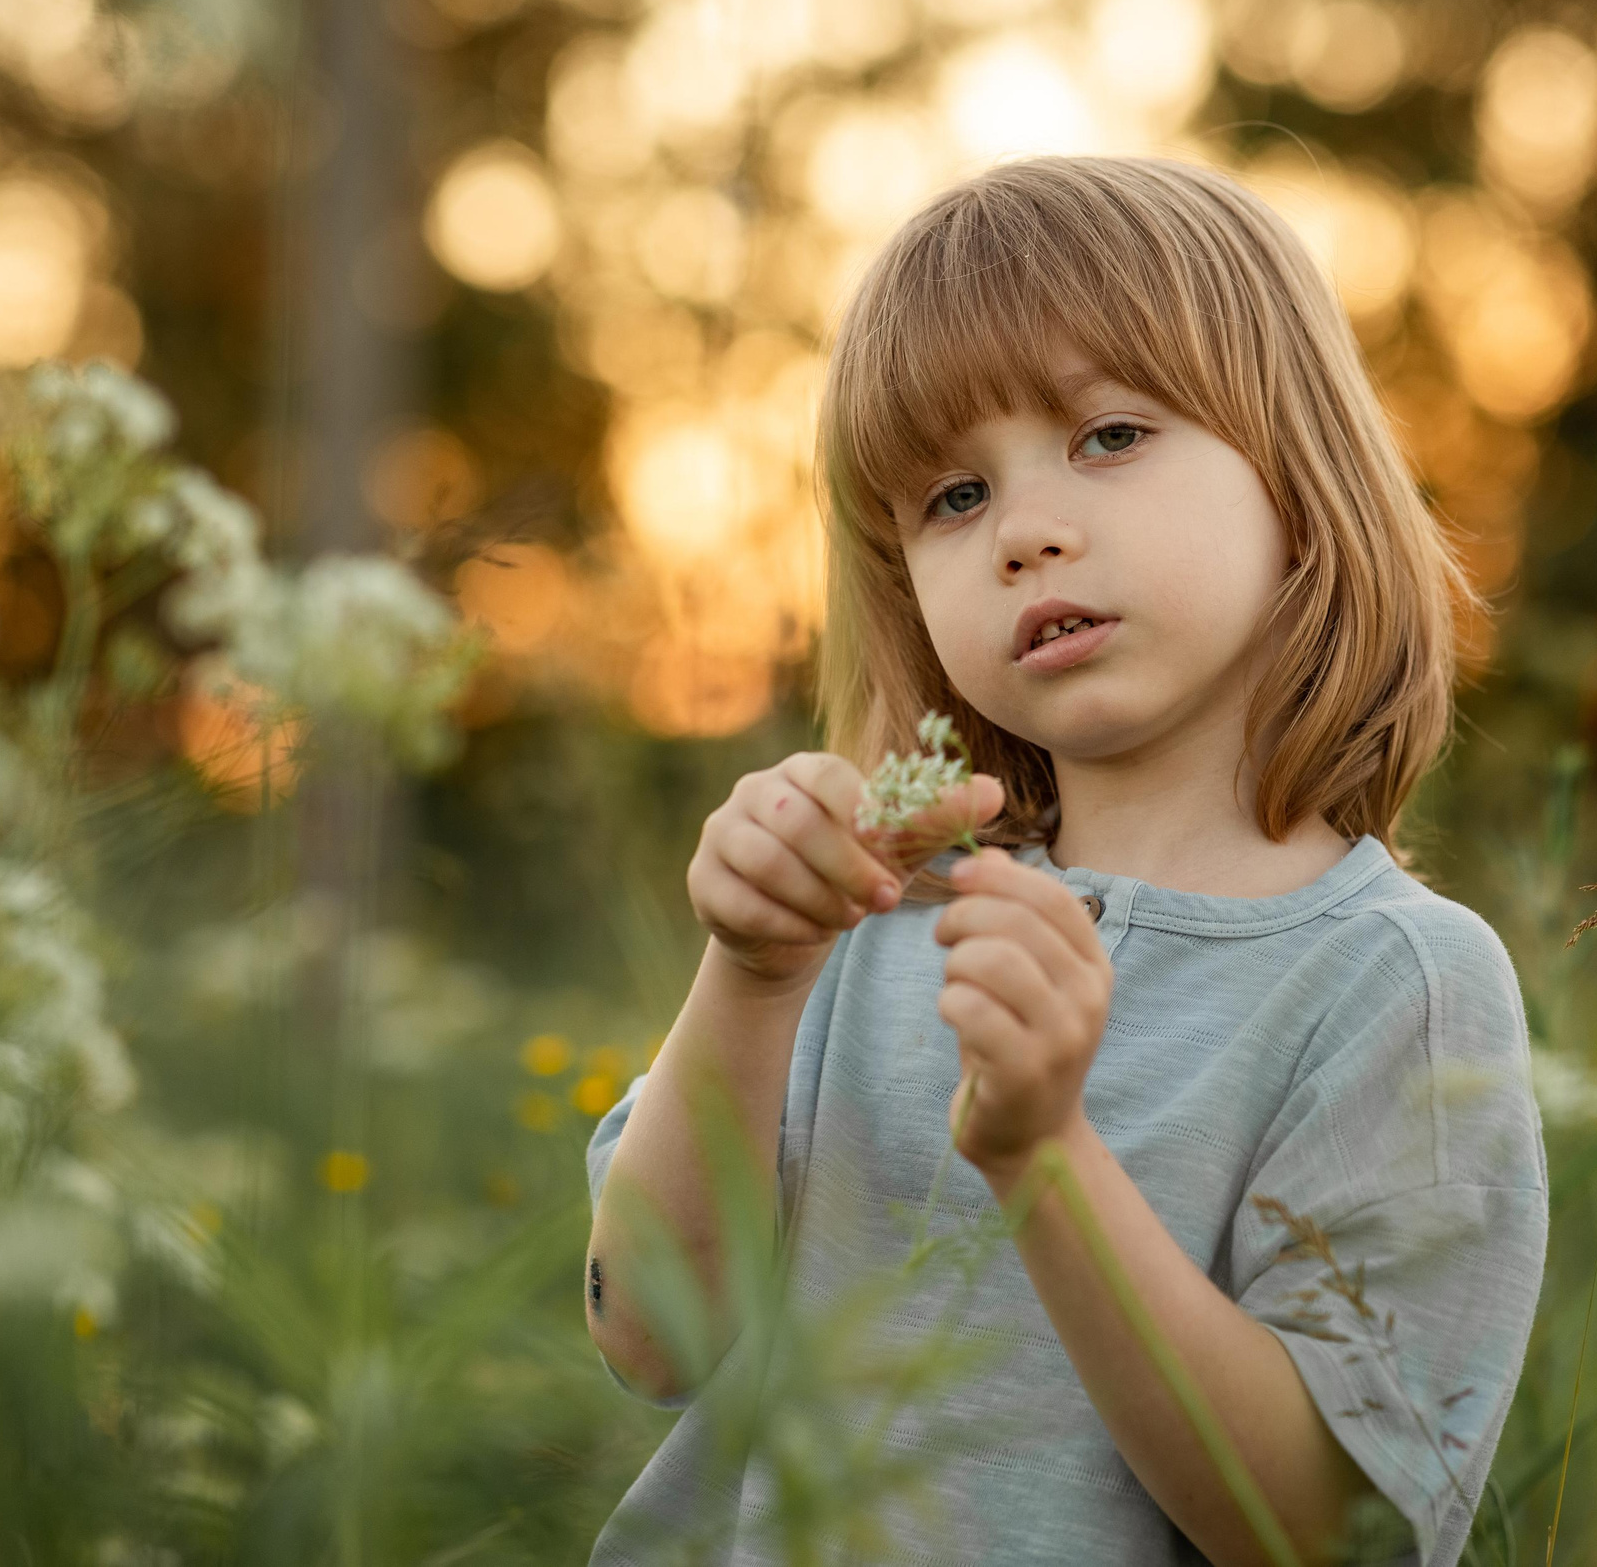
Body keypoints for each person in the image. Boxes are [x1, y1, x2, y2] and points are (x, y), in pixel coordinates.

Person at [581, 154, 1548, 1565]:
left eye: (1108, 436)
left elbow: (1328, 1532)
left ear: (1296, 473)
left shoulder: (1391, 982)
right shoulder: (869, 920)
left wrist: (1042, 1156)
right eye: (953, 498)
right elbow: (649, 1333)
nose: (1027, 531)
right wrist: (749, 974)